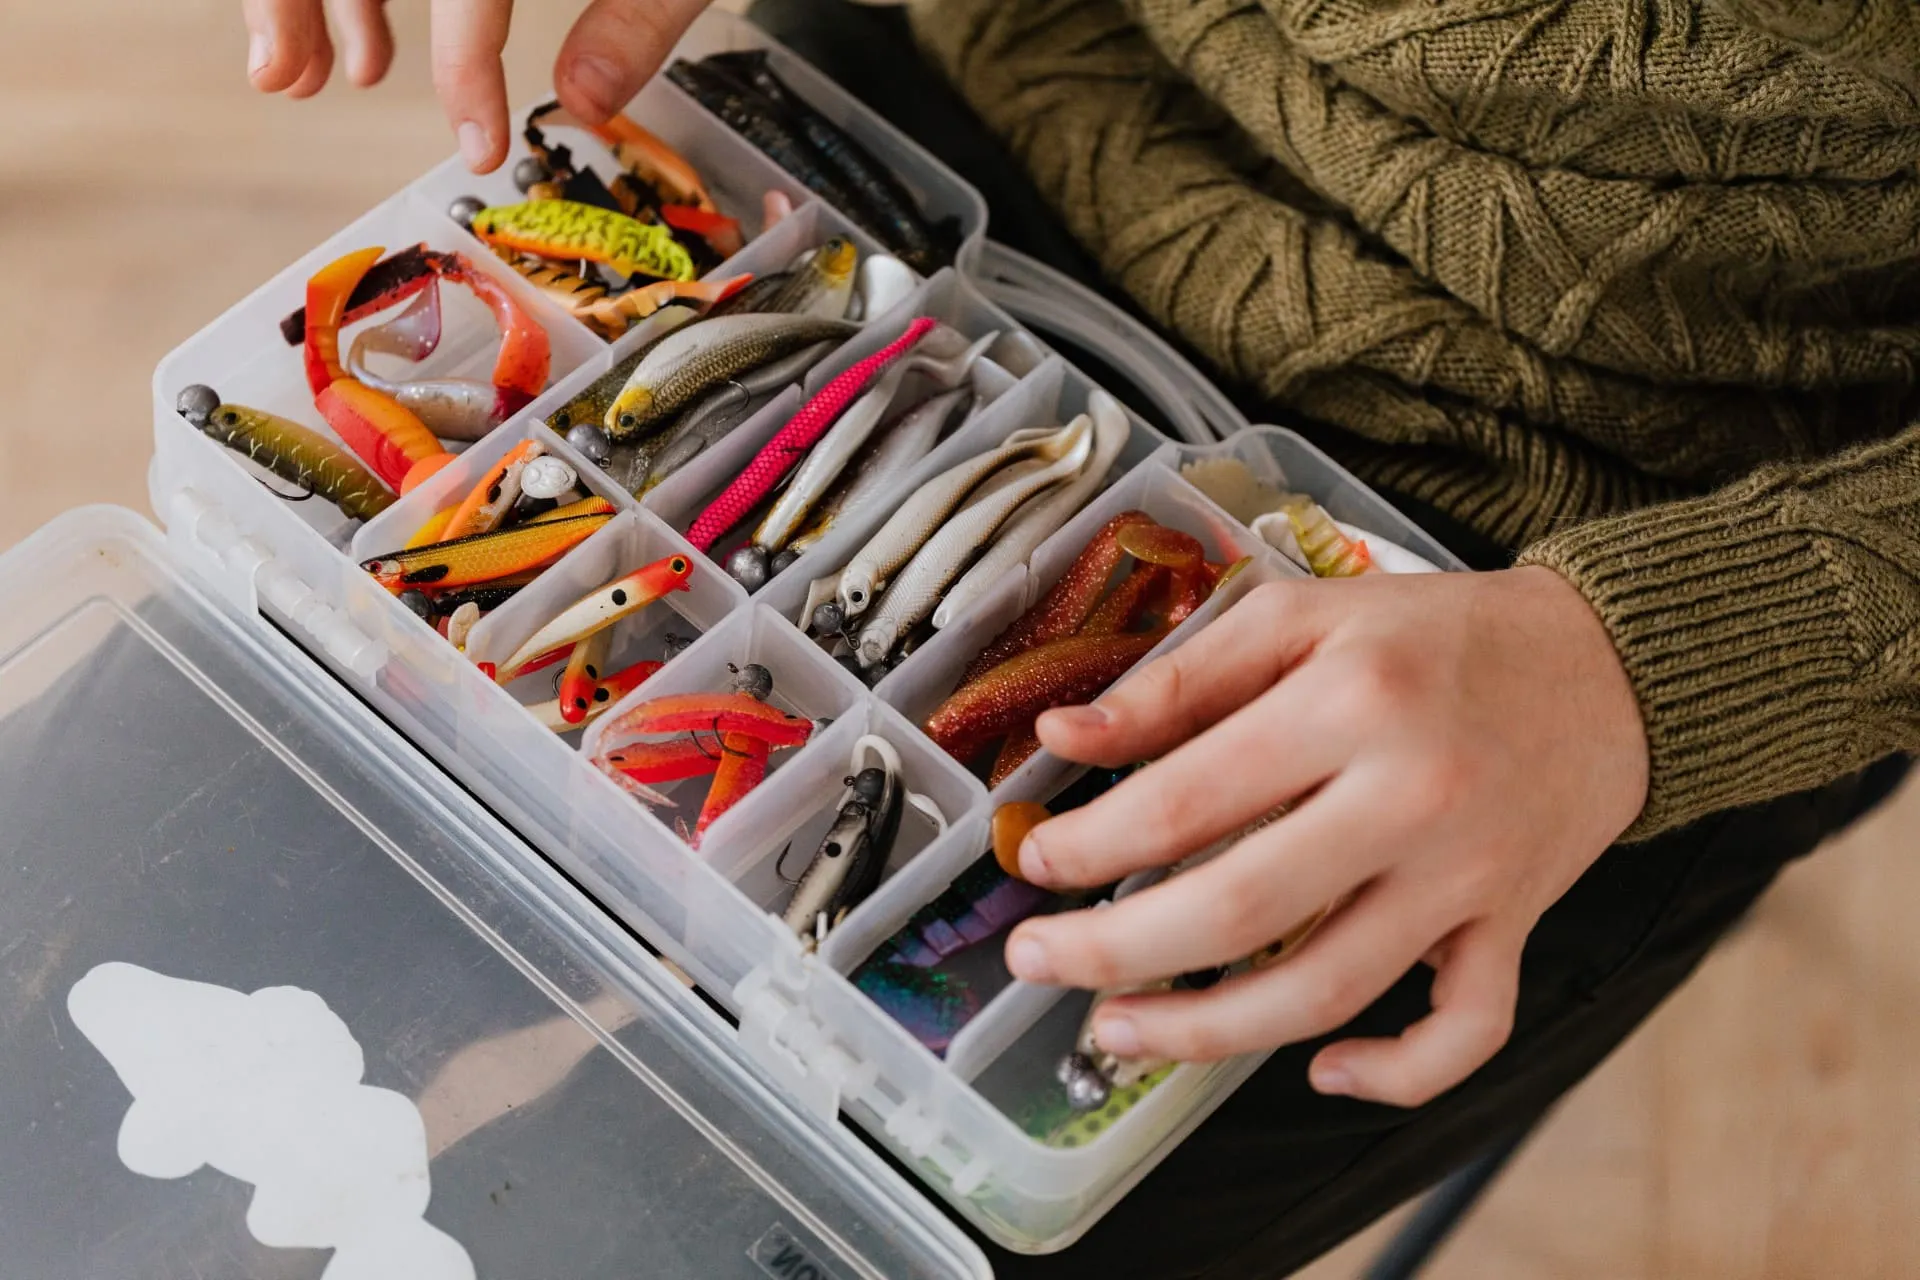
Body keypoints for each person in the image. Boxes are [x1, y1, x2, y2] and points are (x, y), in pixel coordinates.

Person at [237, 1, 1920, 1274]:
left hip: (1572, 572)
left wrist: (1660, 660)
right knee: (191, 886)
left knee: (660, 1230)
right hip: (906, 132)